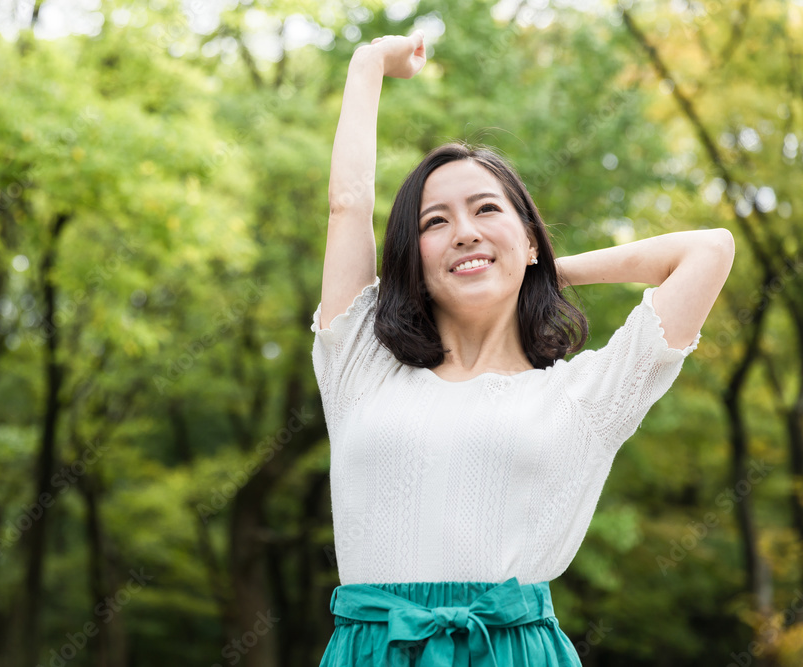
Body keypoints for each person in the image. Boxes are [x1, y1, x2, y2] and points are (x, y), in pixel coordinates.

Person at [310, 29, 735, 666]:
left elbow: (708, 250)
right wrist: (369, 63)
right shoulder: (360, 365)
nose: (464, 232)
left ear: (530, 237)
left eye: (487, 211)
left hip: (512, 651)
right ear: (410, 257)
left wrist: (536, 269)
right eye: (435, 222)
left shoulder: (584, 395)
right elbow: (347, 205)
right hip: (375, 649)